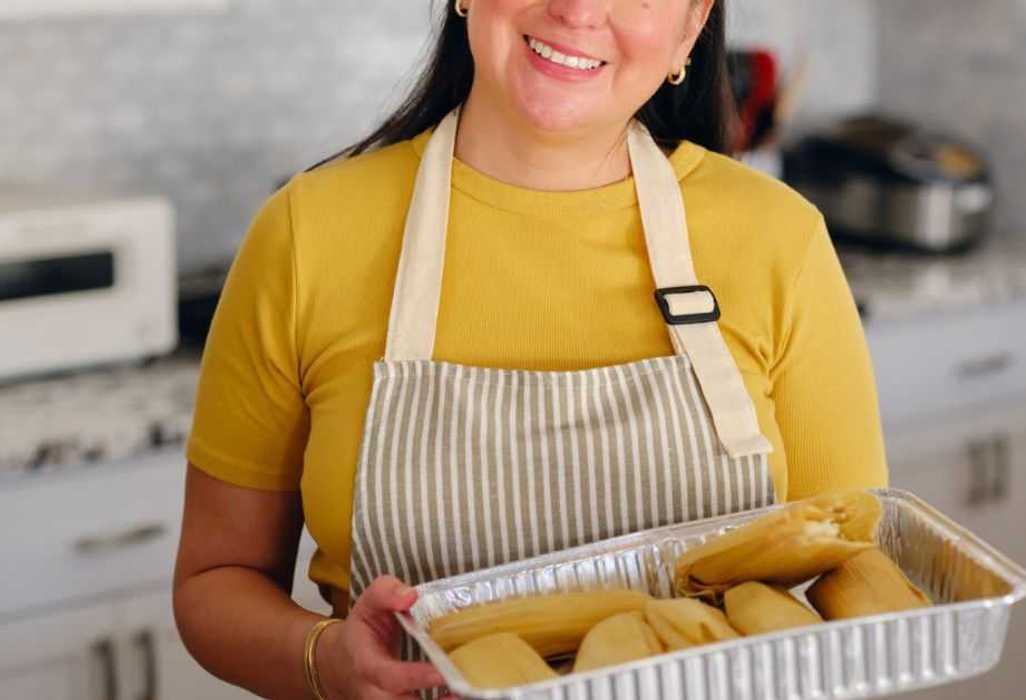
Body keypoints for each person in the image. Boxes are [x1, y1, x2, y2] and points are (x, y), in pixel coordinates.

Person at [173, 0, 887, 697]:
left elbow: (852, 563)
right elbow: (215, 583)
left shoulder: (777, 238)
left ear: (690, 25)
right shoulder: (309, 233)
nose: (578, 9)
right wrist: (329, 662)